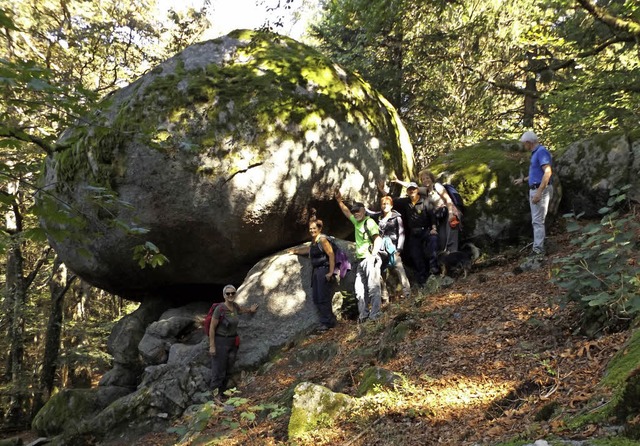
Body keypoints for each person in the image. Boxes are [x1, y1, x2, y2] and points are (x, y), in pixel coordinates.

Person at [335, 190, 383, 322]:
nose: (356, 213)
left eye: (358, 211)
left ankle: (375, 315)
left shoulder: (369, 222)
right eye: (355, 211)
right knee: (359, 289)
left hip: (369, 258)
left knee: (373, 287)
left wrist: (373, 255)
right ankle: (363, 316)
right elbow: (347, 213)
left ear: (364, 211)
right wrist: (339, 201)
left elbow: (378, 239)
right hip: (360, 261)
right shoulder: (357, 223)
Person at [287, 212, 338, 332]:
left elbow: (331, 254)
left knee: (322, 297)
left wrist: (331, 272)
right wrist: (294, 251)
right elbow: (308, 250)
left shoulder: (323, 240)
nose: (312, 230)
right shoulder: (314, 241)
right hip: (316, 272)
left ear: (319, 228)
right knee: (316, 297)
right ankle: (325, 322)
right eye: (310, 229)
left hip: (323, 270)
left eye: (314, 228)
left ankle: (328, 323)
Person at [208, 285, 258, 401]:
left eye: (233, 293)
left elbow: (241, 311)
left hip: (232, 341)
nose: (230, 295)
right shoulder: (220, 309)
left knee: (228, 368)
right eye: (228, 293)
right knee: (218, 369)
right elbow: (212, 327)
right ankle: (215, 396)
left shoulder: (234, 306)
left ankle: (222, 393)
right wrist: (212, 345)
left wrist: (250, 310)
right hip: (220, 341)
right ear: (224, 295)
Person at [387, 182, 439, 285]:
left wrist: (434, 228)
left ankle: (434, 268)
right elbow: (390, 201)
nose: (412, 191)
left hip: (426, 230)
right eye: (410, 189)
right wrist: (382, 191)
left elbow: (432, 215)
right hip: (413, 233)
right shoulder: (406, 202)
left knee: (433, 242)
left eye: (414, 189)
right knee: (416, 255)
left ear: (417, 190)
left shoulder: (425, 200)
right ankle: (422, 279)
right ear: (407, 191)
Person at [513, 131, 553, 256]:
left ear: (529, 143)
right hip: (535, 187)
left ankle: (538, 250)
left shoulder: (541, 152)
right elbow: (537, 173)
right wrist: (523, 180)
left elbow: (547, 172)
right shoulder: (536, 153)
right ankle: (538, 246)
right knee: (537, 220)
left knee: (537, 221)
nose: (524, 147)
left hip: (539, 189)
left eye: (524, 144)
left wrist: (539, 192)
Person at [377, 195, 411, 301]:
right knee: (380, 273)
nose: (385, 206)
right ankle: (385, 297)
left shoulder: (396, 217)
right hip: (381, 250)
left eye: (387, 204)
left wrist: (399, 249)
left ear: (391, 205)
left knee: (400, 270)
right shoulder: (379, 218)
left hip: (393, 248)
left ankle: (407, 294)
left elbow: (401, 233)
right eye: (383, 204)